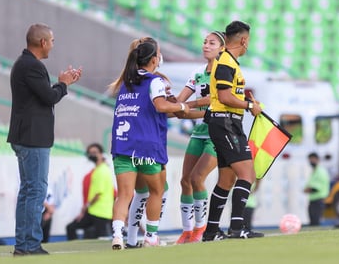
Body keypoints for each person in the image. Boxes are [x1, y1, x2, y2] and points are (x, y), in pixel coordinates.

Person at [7, 23, 82, 256]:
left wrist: (62, 84)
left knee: (28, 191)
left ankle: (23, 243)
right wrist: (63, 84)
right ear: (42, 42)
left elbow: (41, 96)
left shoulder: (24, 64)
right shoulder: (32, 66)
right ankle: (30, 244)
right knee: (35, 191)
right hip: (33, 138)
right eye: (51, 40)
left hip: (25, 135)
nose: (52, 44)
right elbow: (49, 97)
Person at [110, 38, 190, 250]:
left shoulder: (125, 83)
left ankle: (119, 235)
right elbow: (162, 107)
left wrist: (191, 107)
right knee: (157, 190)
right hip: (147, 146)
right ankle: (151, 237)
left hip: (123, 145)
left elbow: (149, 111)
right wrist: (185, 106)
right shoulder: (155, 81)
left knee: (125, 195)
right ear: (154, 58)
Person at [202, 20, 264, 241]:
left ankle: (211, 232)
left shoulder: (227, 61)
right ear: (244, 40)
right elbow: (225, 96)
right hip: (226, 123)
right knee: (248, 174)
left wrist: (246, 102)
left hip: (226, 122)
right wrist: (249, 106)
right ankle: (238, 228)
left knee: (226, 180)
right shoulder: (227, 61)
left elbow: (226, 95)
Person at [174, 31, 225, 244]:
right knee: (184, 180)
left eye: (211, 43)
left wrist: (188, 108)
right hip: (199, 132)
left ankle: (200, 229)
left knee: (197, 179)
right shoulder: (197, 73)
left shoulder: (224, 73)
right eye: (204, 42)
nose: (206, 45)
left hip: (217, 134)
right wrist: (173, 104)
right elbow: (179, 102)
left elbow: (215, 104)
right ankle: (187, 231)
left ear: (222, 48)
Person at [66, 143, 115, 240]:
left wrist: (85, 207)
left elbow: (98, 194)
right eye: (90, 153)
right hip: (95, 211)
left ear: (101, 154)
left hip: (101, 212)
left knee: (100, 238)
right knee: (71, 228)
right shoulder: (99, 169)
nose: (92, 155)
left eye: (95, 152)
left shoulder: (102, 170)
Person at [303, 152, 330, 226]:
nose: (311, 161)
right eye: (310, 159)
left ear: (317, 159)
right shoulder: (314, 171)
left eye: (312, 159)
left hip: (318, 200)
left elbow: (315, 188)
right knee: (312, 222)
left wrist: (307, 189)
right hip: (313, 200)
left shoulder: (320, 171)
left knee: (315, 222)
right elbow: (309, 185)